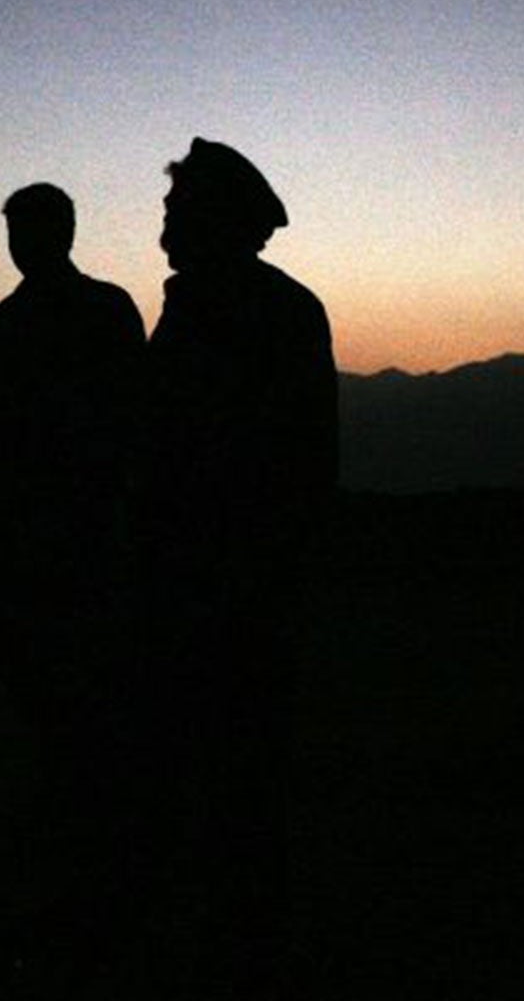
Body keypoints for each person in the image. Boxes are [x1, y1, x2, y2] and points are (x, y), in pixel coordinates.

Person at [133, 138, 337, 991]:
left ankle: (239, 936)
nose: (163, 233)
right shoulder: (256, 306)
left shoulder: (237, 311)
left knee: (229, 766)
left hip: (225, 582)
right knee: (228, 767)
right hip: (227, 580)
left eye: (175, 214)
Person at [0, 182, 146, 975]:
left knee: (74, 715)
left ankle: (87, 885)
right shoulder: (90, 309)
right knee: (66, 714)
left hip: (71, 540)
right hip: (58, 541)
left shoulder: (66, 314)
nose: (19, 245)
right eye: (15, 232)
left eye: (25, 231)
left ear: (55, 234)